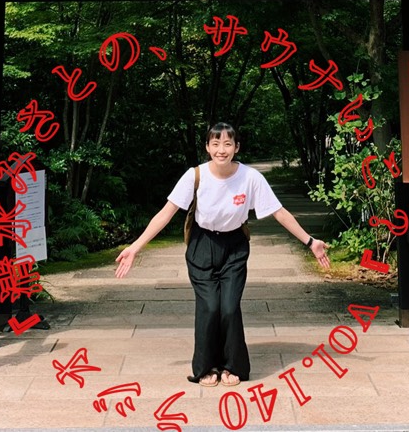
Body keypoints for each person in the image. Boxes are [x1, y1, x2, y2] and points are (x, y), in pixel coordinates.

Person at [114, 121, 331, 386]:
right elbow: (166, 213)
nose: (221, 149)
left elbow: (279, 212)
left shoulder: (250, 178)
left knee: (228, 308)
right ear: (207, 147)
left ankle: (232, 366)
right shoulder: (195, 175)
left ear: (236, 147)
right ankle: (206, 367)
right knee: (209, 306)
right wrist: (135, 248)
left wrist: (310, 242)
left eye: (228, 143)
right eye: (215, 143)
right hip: (201, 244)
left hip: (235, 247)